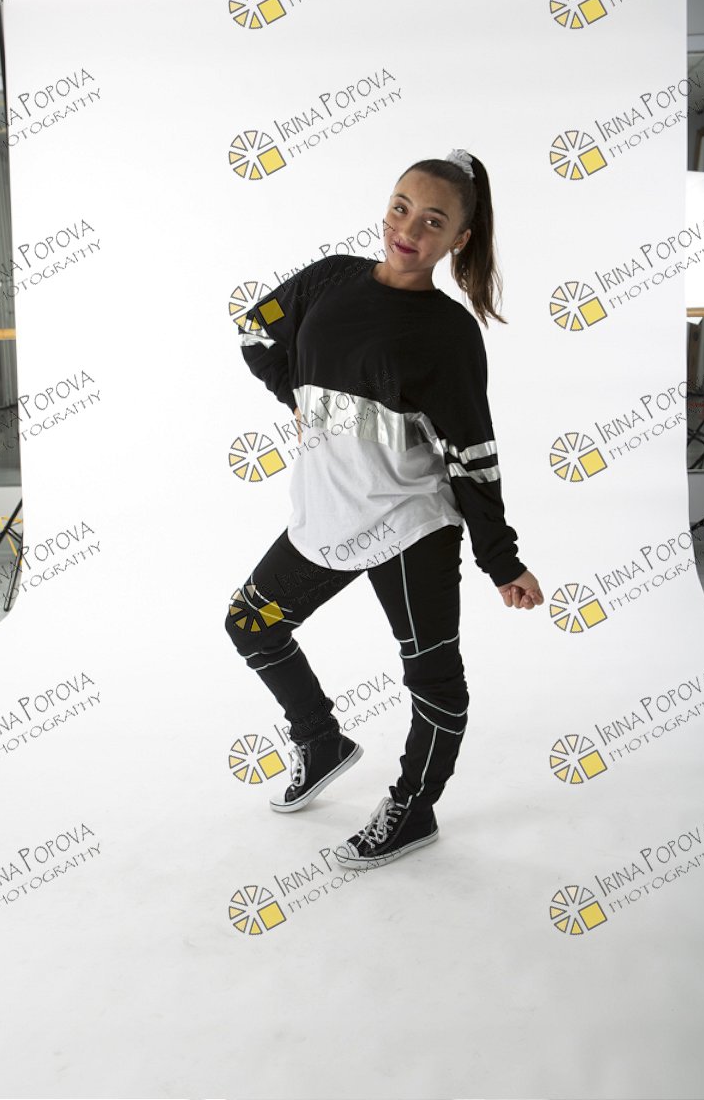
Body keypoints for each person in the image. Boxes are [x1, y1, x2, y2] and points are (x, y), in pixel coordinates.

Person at [225, 149, 543, 870]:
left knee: (433, 678)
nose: (408, 230)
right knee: (251, 623)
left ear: (458, 238)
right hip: (326, 512)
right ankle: (321, 740)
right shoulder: (330, 278)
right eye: (401, 207)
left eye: (433, 221)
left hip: (410, 521)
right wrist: (296, 397)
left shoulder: (449, 332)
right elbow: (255, 330)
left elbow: (472, 454)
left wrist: (501, 559)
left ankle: (414, 808)